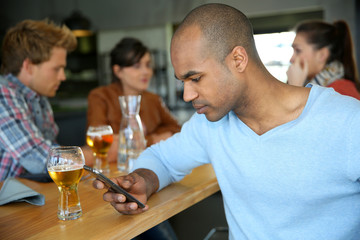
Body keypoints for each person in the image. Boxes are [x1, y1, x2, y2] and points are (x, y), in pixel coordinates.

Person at [93, 3, 360, 240]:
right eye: (183, 81)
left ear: (238, 59)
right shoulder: (210, 124)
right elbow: (163, 159)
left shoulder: (347, 121)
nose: (187, 95)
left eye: (195, 78)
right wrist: (144, 181)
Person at [0, 19, 91, 181]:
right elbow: (40, 159)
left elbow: (52, 154)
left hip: (29, 197)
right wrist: (95, 154)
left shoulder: (38, 98)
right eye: (57, 69)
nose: (63, 77)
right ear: (28, 66)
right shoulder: (2, 94)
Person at [87, 37, 181, 162]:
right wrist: (154, 139)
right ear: (118, 71)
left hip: (149, 164)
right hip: (114, 170)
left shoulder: (154, 99)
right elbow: (100, 144)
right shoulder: (100, 96)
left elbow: (177, 133)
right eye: (137, 66)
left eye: (148, 65)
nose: (146, 72)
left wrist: (142, 140)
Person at [287, 19, 360, 100]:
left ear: (322, 55)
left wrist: (295, 88)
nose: (291, 59)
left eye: (298, 50)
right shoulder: (314, 87)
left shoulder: (341, 92)